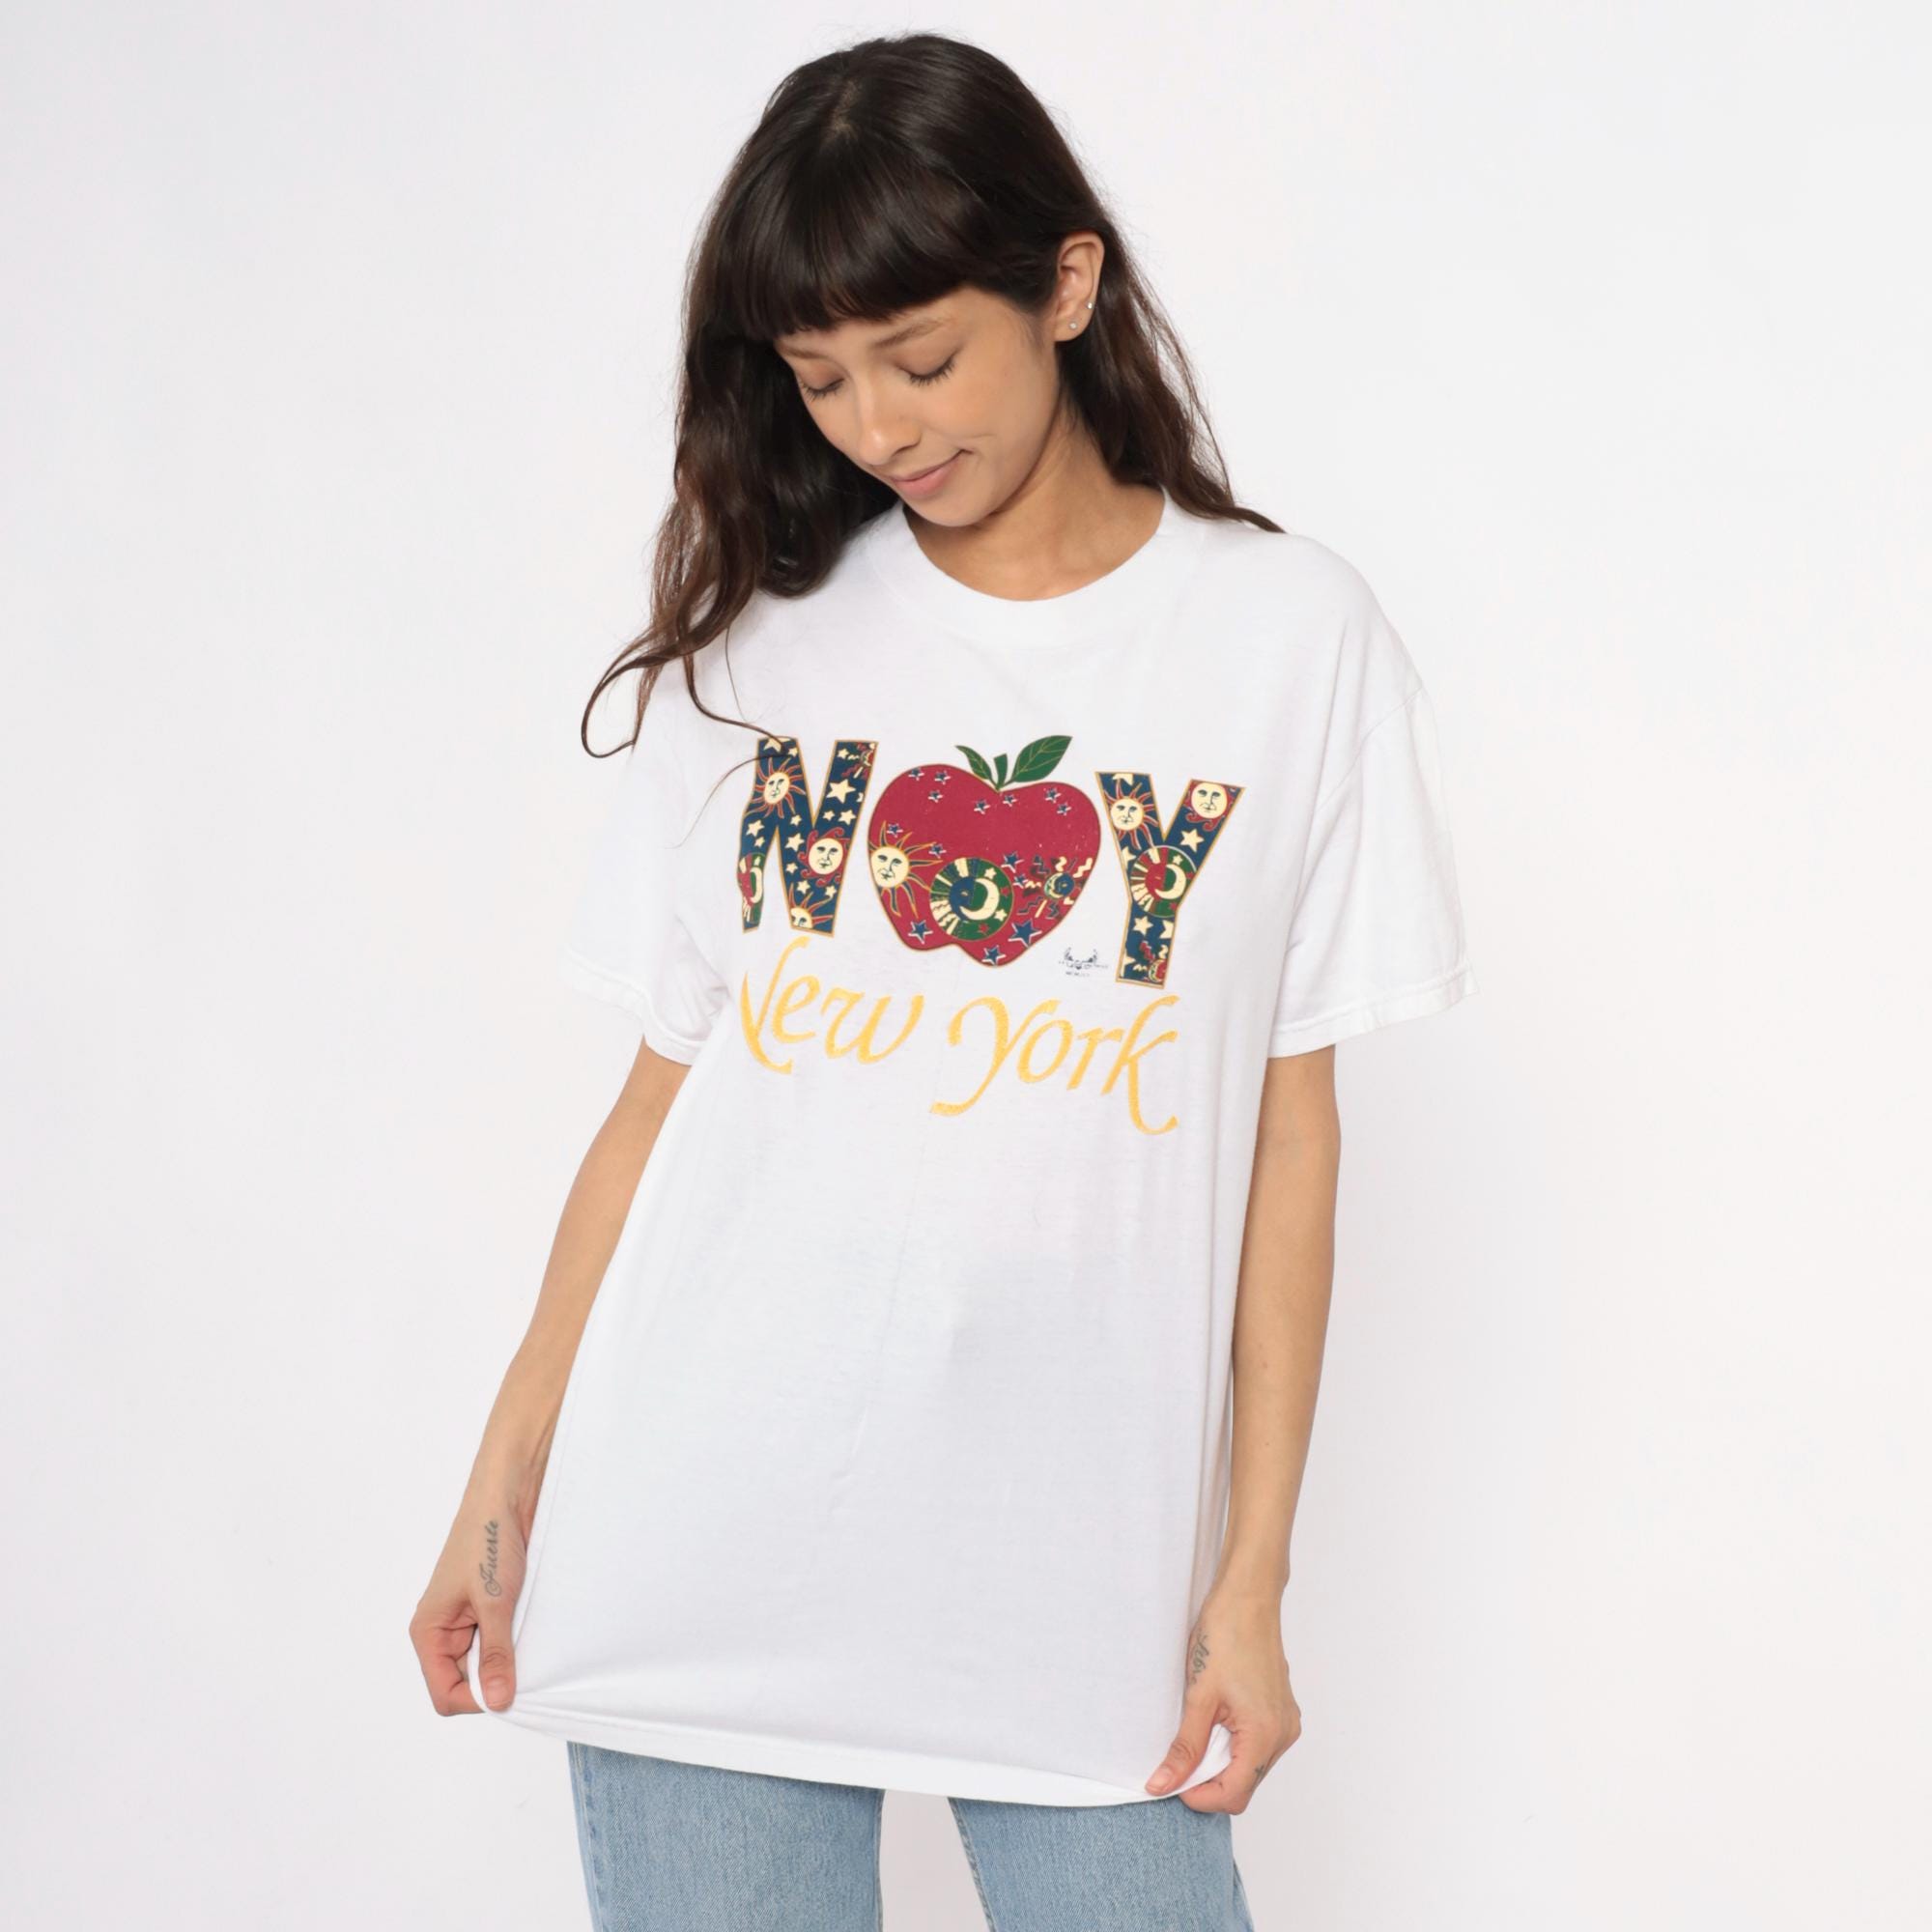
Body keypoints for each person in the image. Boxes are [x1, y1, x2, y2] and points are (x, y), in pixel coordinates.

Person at [409, 29, 1476, 1931]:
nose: (879, 427)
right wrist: (502, 1486)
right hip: (702, 1549)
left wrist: (1248, 1583)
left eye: (919, 358)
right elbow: (661, 1105)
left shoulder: (1284, 644)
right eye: (820, 379)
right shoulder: (760, 654)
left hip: (1074, 1592)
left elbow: (1289, 1146)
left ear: (1064, 285)